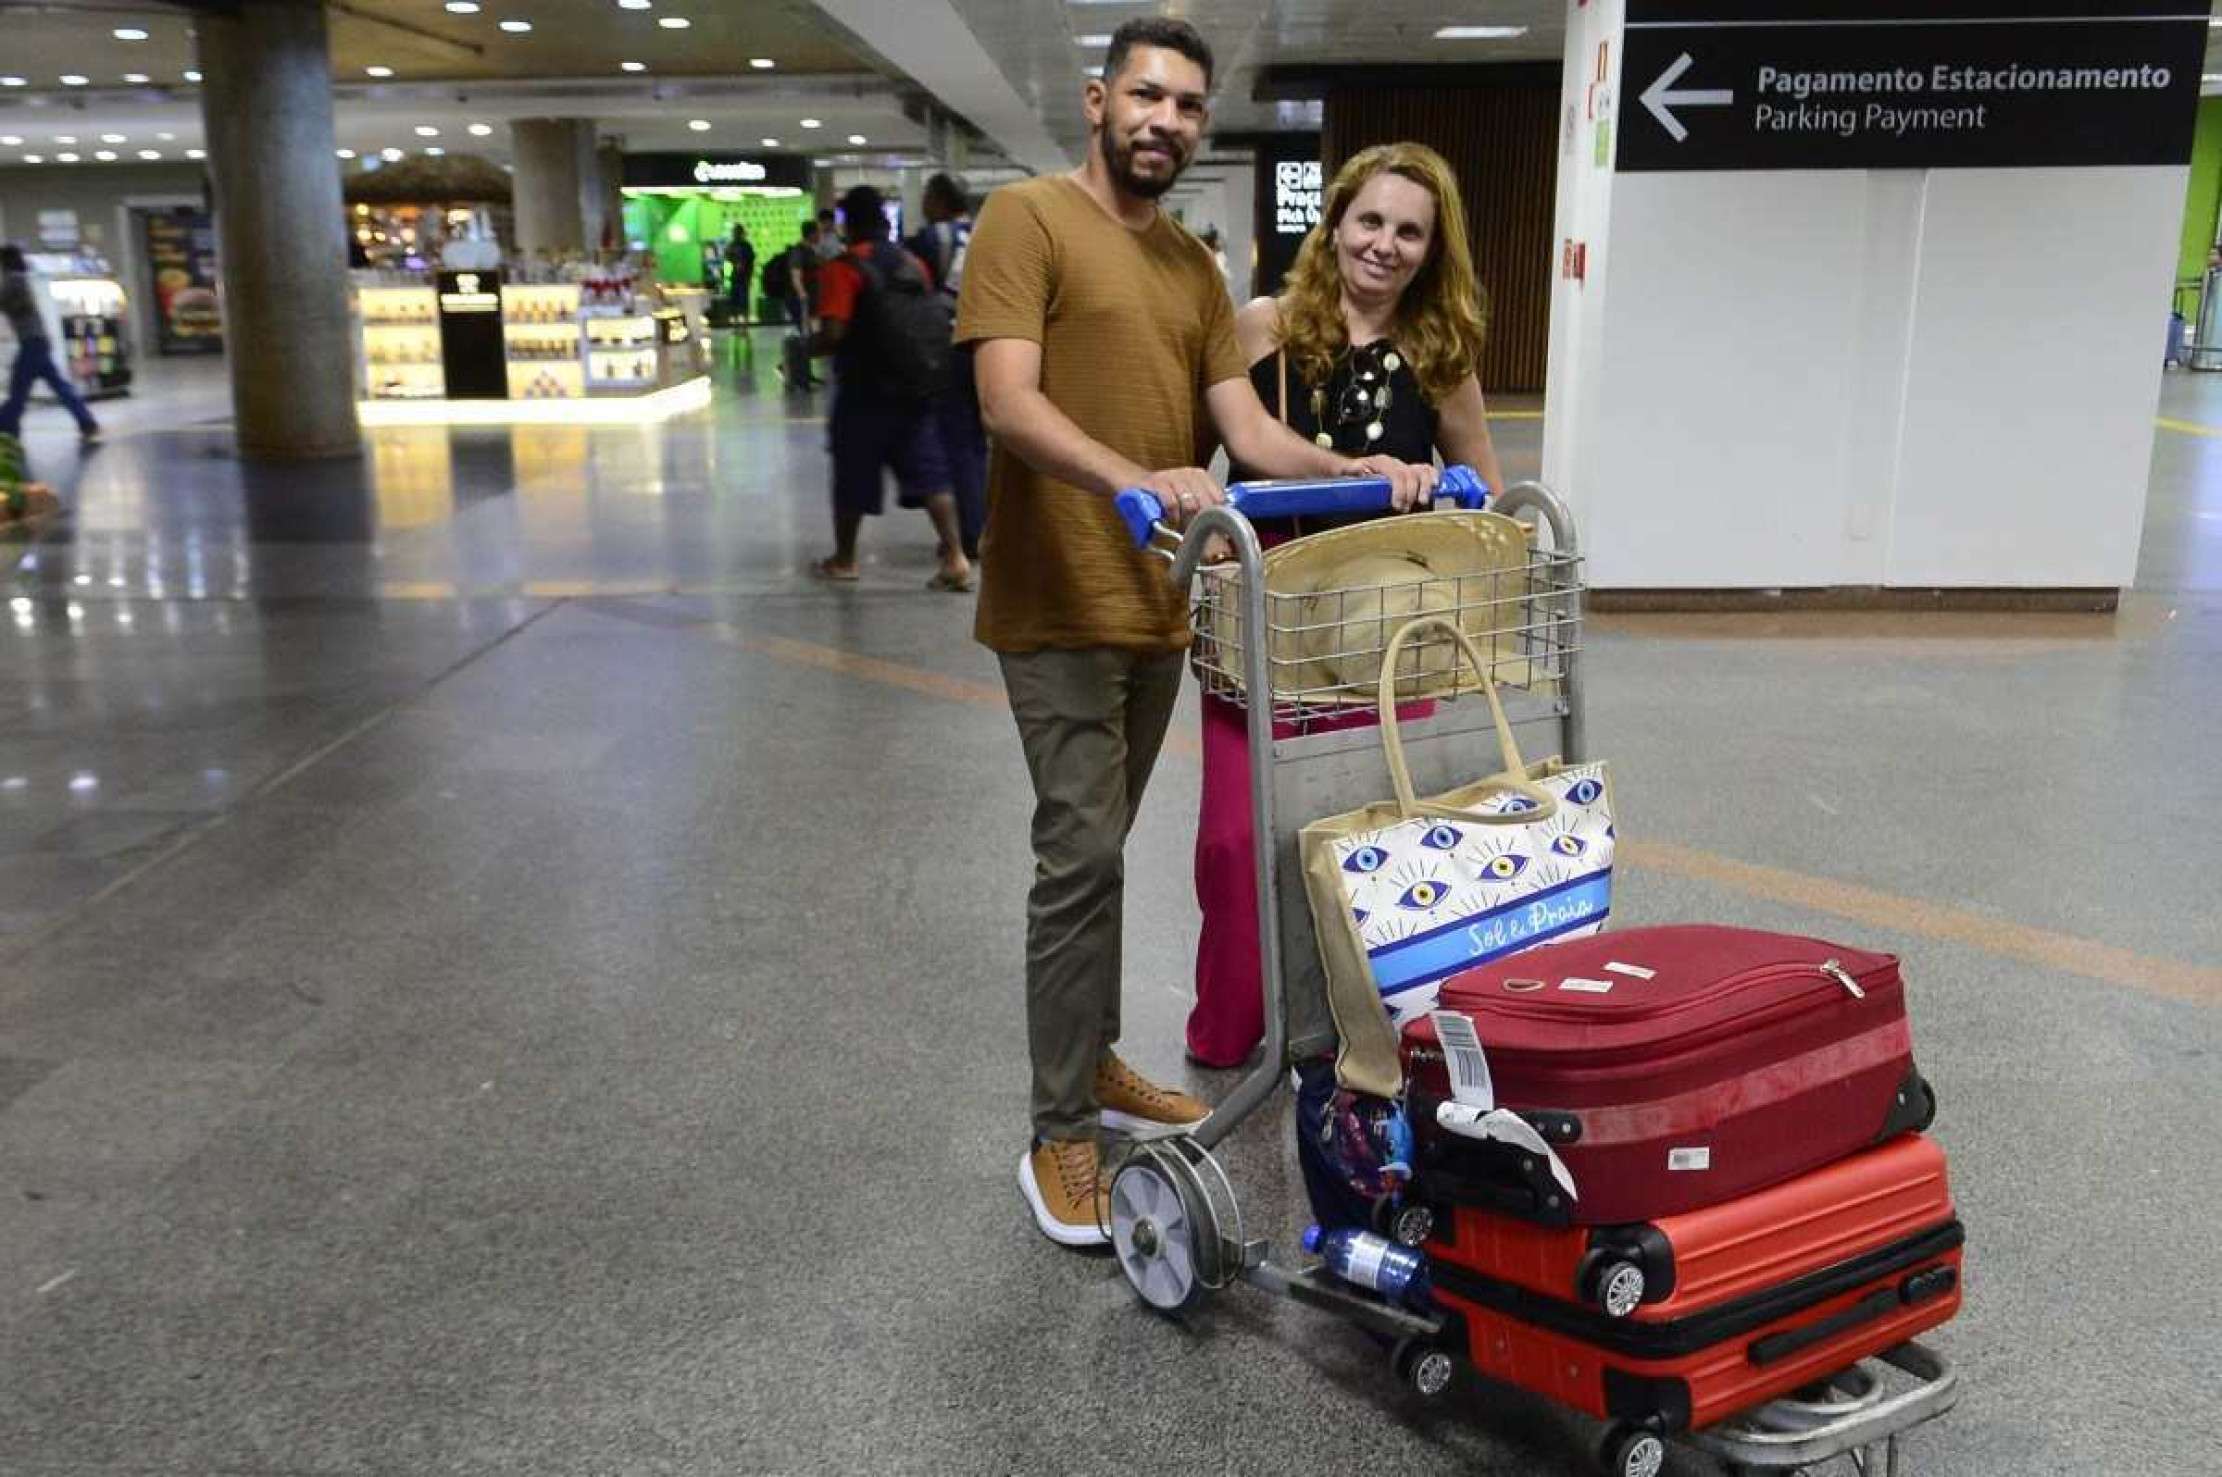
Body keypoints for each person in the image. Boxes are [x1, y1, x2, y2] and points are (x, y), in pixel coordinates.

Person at [956, 16, 1435, 1248]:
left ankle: (1094, 1057)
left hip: (1159, 606)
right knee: (1076, 854)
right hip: (1055, 598)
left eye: (1184, 108)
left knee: (1100, 849)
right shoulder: (1027, 221)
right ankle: (1057, 1129)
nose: (1163, 122)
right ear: (1097, 98)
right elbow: (1005, 401)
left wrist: (1357, 468)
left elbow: (1252, 433)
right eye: (1145, 97)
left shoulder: (1190, 271)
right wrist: (1138, 475)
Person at [1185, 141, 1509, 1070]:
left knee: (1375, 839)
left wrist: (1444, 485)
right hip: (1265, 619)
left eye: (1410, 231)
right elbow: (1200, 459)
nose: (1385, 245)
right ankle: (1229, 1030)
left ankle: (1363, 1034)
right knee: (1237, 838)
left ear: (1433, 250)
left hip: (1383, 627)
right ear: (1335, 223)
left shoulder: (1441, 357)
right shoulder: (1262, 326)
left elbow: (1483, 485)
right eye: (1370, 221)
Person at [805, 184, 971, 592]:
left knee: (852, 476)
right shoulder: (914, 263)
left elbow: (833, 332)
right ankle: (954, 555)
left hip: (864, 392)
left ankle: (844, 560)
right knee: (930, 474)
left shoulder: (844, 268)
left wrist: (804, 350)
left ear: (850, 223)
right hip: (915, 385)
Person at [908, 172, 985, 563]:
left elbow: (917, 297)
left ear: (938, 199)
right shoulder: (982, 233)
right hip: (986, 348)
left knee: (956, 443)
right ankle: (984, 525)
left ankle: (970, 535)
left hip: (948, 350)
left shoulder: (931, 238)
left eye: (925, 195)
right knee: (978, 444)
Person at [0, 245, 99, 444]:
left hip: (31, 342)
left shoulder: (13, 280)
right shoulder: (21, 278)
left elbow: (7, 301)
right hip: (38, 340)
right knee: (58, 385)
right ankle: (86, 421)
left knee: (18, 389)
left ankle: (7, 428)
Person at [726, 223, 756, 321]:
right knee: (739, 299)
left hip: (740, 276)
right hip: (740, 276)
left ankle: (739, 319)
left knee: (739, 299)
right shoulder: (745, 245)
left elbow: (728, 256)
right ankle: (741, 319)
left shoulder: (738, 245)